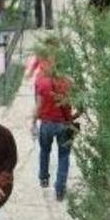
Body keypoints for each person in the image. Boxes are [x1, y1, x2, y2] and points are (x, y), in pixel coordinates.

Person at [30, 58, 79, 202]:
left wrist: (33, 122)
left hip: (46, 125)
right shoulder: (70, 84)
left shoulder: (41, 83)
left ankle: (44, 178)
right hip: (64, 125)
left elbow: (38, 106)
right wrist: (72, 117)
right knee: (64, 156)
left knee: (45, 151)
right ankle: (60, 189)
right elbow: (82, 107)